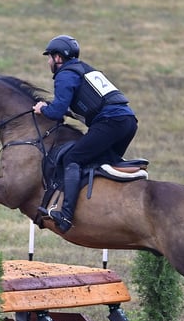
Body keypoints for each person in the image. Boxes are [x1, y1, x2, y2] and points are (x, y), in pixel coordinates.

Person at [33, 35, 138, 233]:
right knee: (99, 162)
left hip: (110, 123)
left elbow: (55, 112)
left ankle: (65, 215)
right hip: (128, 123)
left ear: (58, 58)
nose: (48, 62)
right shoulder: (85, 69)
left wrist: (42, 109)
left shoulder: (65, 74)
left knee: (73, 158)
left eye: (50, 57)